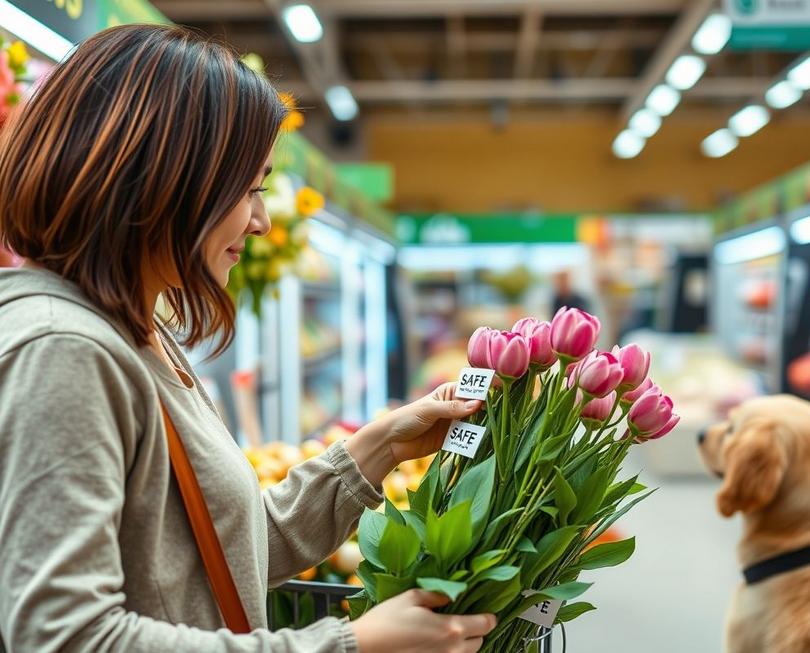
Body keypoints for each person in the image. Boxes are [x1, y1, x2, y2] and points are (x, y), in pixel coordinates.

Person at [0, 25, 494, 653]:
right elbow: (67, 638)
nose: (260, 221)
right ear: (167, 177)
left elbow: (219, 555)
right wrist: (348, 645)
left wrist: (380, 446)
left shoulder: (135, 332)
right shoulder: (63, 351)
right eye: (251, 188)